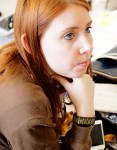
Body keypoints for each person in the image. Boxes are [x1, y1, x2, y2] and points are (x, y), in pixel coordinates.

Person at [0, 0, 95, 149]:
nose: (88, 47)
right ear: (31, 43)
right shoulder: (28, 111)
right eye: (69, 35)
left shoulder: (29, 57)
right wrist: (85, 112)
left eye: (88, 29)